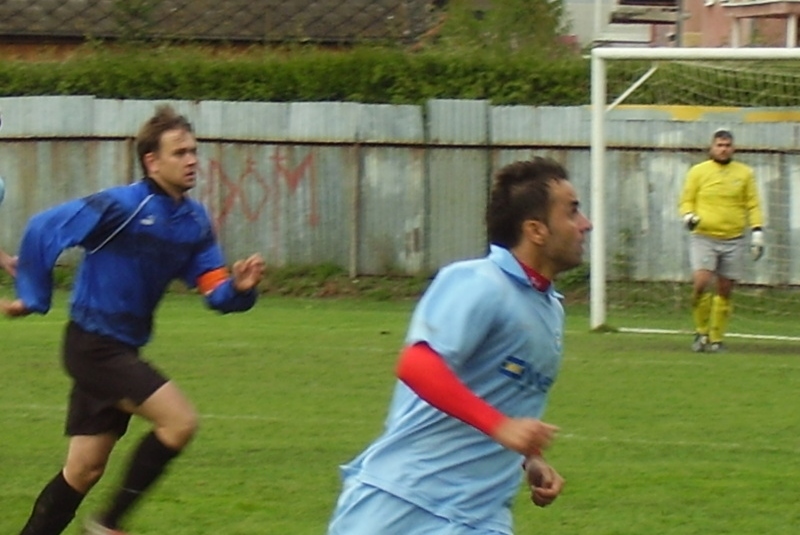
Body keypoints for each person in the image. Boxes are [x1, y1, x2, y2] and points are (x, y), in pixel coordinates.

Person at [1, 105, 266, 535]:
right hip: (91, 347)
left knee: (83, 471)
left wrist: (239, 288)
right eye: (179, 152)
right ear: (152, 161)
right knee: (180, 421)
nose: (192, 160)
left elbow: (216, 293)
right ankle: (107, 525)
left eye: (194, 151)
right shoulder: (118, 206)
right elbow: (44, 229)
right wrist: (32, 296)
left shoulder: (195, 223)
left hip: (120, 350)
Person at [327, 157, 592, 535]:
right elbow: (416, 365)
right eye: (572, 212)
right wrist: (502, 428)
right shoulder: (478, 282)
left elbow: (498, 396)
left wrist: (528, 458)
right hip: (403, 502)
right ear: (536, 230)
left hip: (480, 515)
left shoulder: (549, 307)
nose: (586, 224)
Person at [679, 128, 764, 353]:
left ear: (733, 148)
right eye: (719, 145)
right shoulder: (698, 172)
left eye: (727, 145)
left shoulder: (744, 173)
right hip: (704, 236)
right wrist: (688, 216)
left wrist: (757, 232)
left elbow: (752, 204)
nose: (723, 149)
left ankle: (716, 338)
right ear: (712, 147)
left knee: (725, 290)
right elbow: (686, 200)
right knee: (701, 283)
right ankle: (700, 332)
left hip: (734, 238)